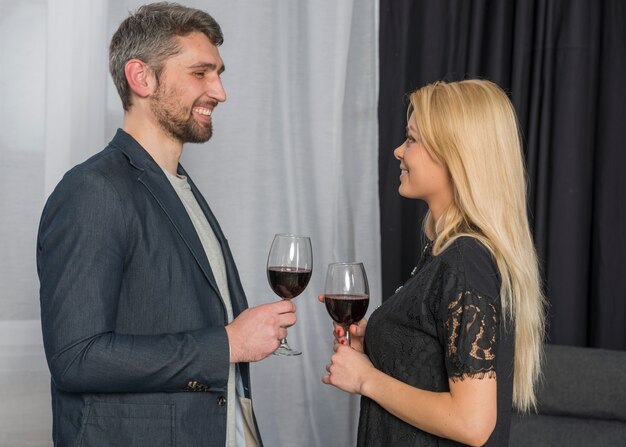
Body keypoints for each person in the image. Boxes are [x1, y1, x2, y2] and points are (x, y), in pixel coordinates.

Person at [36, 3, 295, 446]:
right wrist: (227, 344)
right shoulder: (92, 190)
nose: (220, 91)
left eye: (219, 73)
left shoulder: (181, 187)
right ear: (142, 78)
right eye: (201, 73)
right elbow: (77, 358)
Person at [321, 79, 546, 446]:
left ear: (456, 155)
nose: (398, 151)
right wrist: (381, 340)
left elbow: (472, 423)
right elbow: (430, 360)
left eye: (411, 139)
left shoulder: (465, 261)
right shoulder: (446, 254)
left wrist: (365, 379)